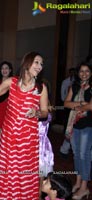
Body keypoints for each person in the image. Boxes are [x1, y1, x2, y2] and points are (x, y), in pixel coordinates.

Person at [0, 51, 49, 199]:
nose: (40, 66)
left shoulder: (40, 88)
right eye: (36, 62)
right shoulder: (12, 82)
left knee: (25, 170)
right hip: (9, 136)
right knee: (10, 170)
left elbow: (45, 112)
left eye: (41, 64)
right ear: (27, 63)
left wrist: (37, 113)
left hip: (28, 138)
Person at [63, 62, 92, 199]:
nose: (84, 73)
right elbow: (66, 103)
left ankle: (85, 188)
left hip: (88, 125)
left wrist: (79, 106)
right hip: (74, 124)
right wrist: (81, 104)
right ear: (78, 73)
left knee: (84, 155)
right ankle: (78, 182)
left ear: (91, 73)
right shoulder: (74, 86)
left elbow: (91, 107)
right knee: (76, 154)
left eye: (87, 71)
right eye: (81, 71)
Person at [59, 67, 76, 158]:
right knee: (69, 128)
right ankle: (64, 149)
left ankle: (66, 149)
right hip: (69, 106)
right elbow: (63, 95)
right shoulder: (66, 82)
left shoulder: (78, 83)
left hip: (79, 109)